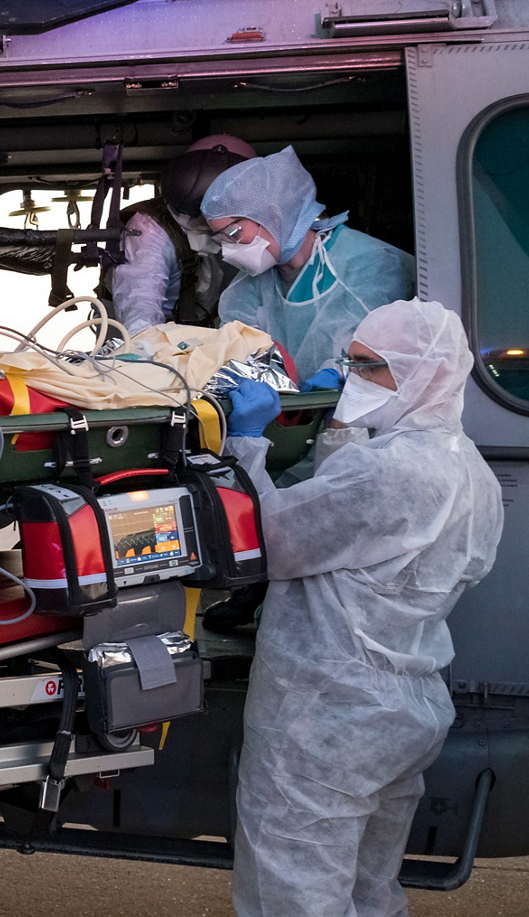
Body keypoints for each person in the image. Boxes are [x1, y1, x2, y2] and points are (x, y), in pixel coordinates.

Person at [220, 300, 501, 917]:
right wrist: (338, 435)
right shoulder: (471, 472)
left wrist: (245, 445)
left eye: (370, 367)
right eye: (351, 362)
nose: (353, 377)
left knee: (293, 889)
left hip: (327, 713)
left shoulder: (391, 473)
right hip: (405, 706)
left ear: (423, 374)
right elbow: (368, 532)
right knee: (370, 888)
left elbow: (272, 540)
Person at [202, 146, 415, 377]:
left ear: (273, 214)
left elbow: (381, 358)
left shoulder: (368, 264)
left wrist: (336, 375)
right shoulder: (249, 286)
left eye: (233, 235)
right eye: (221, 239)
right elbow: (238, 347)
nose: (228, 251)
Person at [105, 135, 255, 332]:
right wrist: (143, 348)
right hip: (139, 331)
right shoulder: (150, 227)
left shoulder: (252, 226)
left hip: (209, 326)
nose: (203, 220)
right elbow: (140, 300)